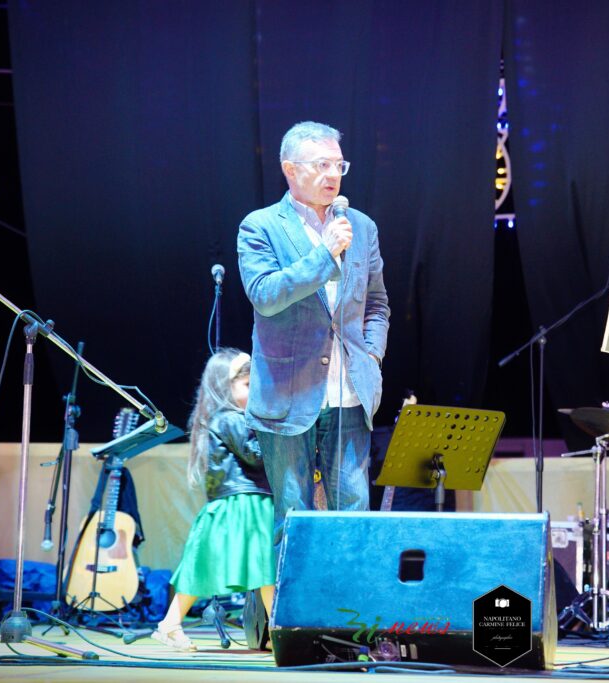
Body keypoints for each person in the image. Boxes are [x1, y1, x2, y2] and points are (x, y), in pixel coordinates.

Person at [237, 121, 390, 555]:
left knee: (355, 516)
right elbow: (266, 296)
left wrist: (372, 357)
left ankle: (351, 622)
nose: (333, 174)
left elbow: (376, 304)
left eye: (338, 164)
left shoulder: (361, 226)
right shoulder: (261, 226)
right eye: (321, 164)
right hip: (288, 397)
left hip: (351, 394)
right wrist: (324, 254)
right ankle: (291, 623)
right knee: (293, 519)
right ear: (290, 169)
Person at [153, 349, 275, 652]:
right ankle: (278, 631)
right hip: (242, 502)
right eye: (248, 385)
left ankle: (275, 630)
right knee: (265, 569)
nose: (255, 391)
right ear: (225, 387)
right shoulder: (230, 418)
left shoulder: (221, 419)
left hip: (239, 502)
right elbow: (257, 456)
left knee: (259, 571)